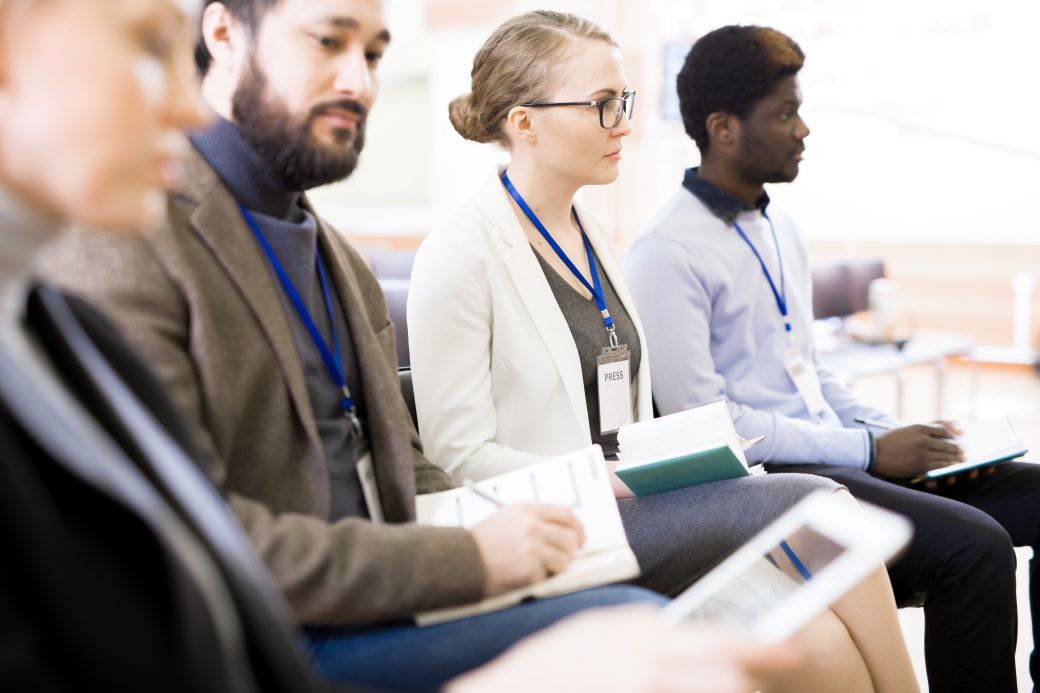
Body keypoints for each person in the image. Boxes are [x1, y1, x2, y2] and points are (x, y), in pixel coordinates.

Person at [38, 1, 676, 690]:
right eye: (327, 41)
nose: (360, 82)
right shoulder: (130, 240)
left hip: (403, 598)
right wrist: (468, 558)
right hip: (278, 638)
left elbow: (412, 466)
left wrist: (524, 522)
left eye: (373, 54)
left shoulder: (339, 258)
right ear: (222, 34)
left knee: (685, 620)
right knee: (648, 640)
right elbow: (189, 532)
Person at [407, 10, 918, 693]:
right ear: (524, 124)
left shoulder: (592, 234)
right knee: (821, 504)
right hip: (572, 517)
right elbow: (459, 458)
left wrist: (672, 454)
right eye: (601, 105)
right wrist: (617, 477)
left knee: (817, 641)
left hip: (640, 500)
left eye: (624, 101)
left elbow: (625, 407)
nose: (623, 123)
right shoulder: (458, 254)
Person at [624, 24, 1040, 693]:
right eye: (785, 114)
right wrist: (869, 451)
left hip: (839, 452)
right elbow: (706, 424)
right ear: (723, 128)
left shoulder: (780, 225)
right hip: (775, 478)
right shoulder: (664, 250)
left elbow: (809, 369)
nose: (804, 130)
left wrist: (892, 437)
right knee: (975, 548)